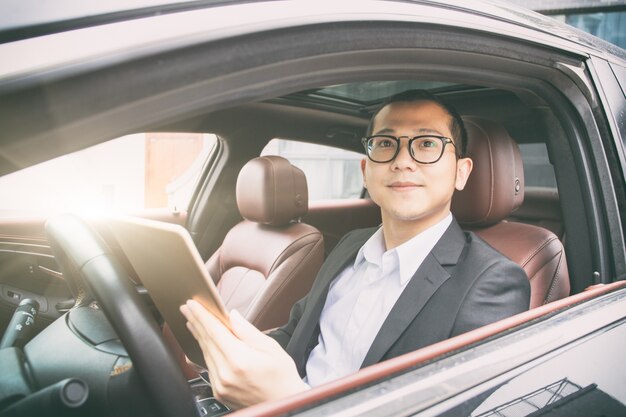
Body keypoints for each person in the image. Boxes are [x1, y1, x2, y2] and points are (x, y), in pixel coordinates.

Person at [181, 89, 531, 409]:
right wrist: (233, 350)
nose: (403, 161)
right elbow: (295, 335)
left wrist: (290, 401)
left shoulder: (492, 283)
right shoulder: (351, 245)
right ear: (366, 170)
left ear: (461, 172)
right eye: (385, 143)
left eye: (426, 144)